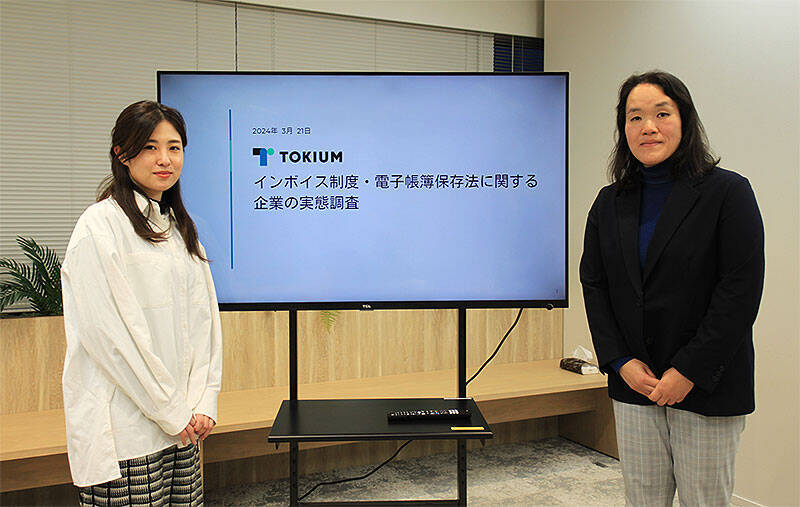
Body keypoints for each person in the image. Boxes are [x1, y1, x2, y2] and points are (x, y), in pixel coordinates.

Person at [580, 71, 764, 506]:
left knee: (704, 499)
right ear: (623, 129)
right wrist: (620, 362)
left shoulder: (728, 193)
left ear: (685, 120)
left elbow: (739, 293)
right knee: (643, 498)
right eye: (635, 117)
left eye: (662, 114)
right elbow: (595, 285)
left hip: (706, 384)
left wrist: (688, 372)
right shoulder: (609, 202)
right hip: (635, 383)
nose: (648, 127)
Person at [61, 101, 223, 506]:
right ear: (122, 153)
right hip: (128, 431)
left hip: (184, 425)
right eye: (150, 147)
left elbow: (205, 324)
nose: (165, 159)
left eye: (174, 147)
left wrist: (203, 401)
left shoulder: (178, 229)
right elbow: (109, 338)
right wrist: (171, 410)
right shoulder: (99, 226)